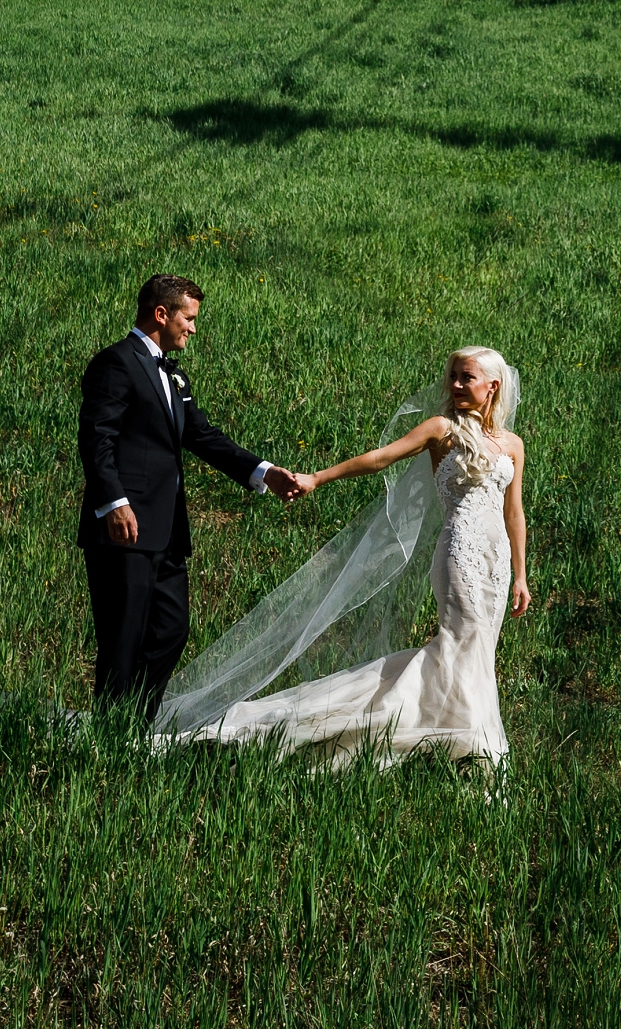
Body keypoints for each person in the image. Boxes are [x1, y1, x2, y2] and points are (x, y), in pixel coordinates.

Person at [159, 346, 529, 766]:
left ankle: (454, 733)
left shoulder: (512, 444)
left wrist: (520, 575)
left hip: (496, 563)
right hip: (459, 553)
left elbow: (513, 512)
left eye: (467, 378)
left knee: (478, 647)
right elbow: (378, 459)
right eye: (454, 377)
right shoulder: (441, 429)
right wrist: (317, 477)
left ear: (492, 386)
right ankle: (469, 744)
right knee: (460, 638)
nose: (457, 385)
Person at [77, 274, 308, 717]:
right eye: (189, 317)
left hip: (165, 531)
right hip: (123, 527)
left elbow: (201, 436)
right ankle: (110, 737)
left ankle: (134, 723)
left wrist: (263, 472)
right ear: (161, 314)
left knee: (171, 628)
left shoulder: (173, 374)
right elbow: (96, 438)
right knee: (122, 637)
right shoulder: (115, 363)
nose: (194, 328)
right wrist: (114, 502)